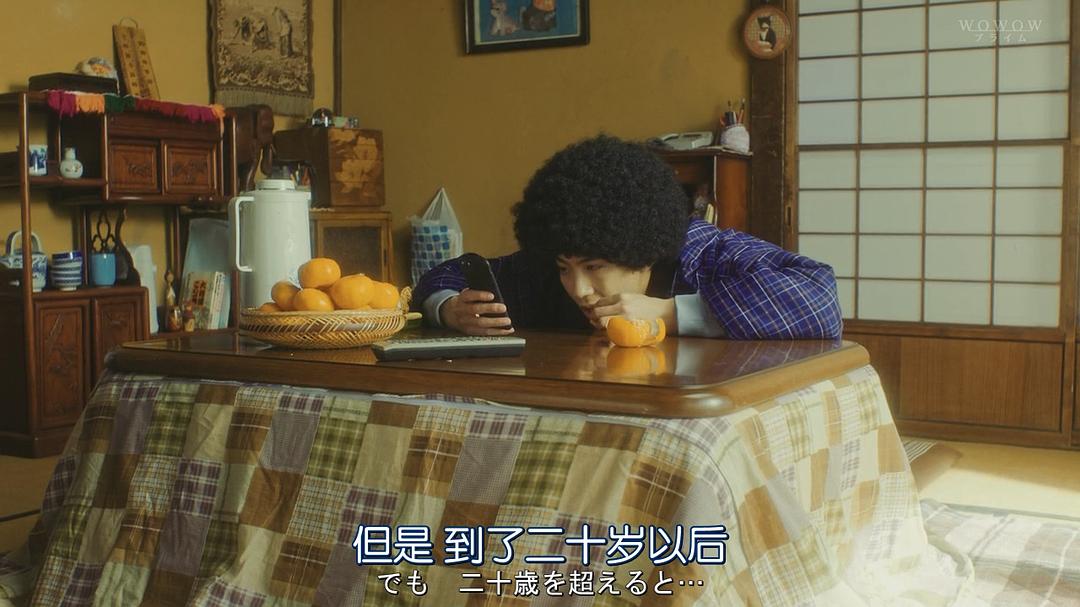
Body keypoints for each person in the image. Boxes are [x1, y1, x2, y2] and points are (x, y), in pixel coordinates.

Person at [413, 135, 842, 340]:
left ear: (643, 251)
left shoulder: (703, 255)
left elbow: (819, 297)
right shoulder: (549, 269)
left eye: (594, 266)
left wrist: (670, 314)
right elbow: (447, 274)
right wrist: (448, 309)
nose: (578, 289)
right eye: (565, 268)